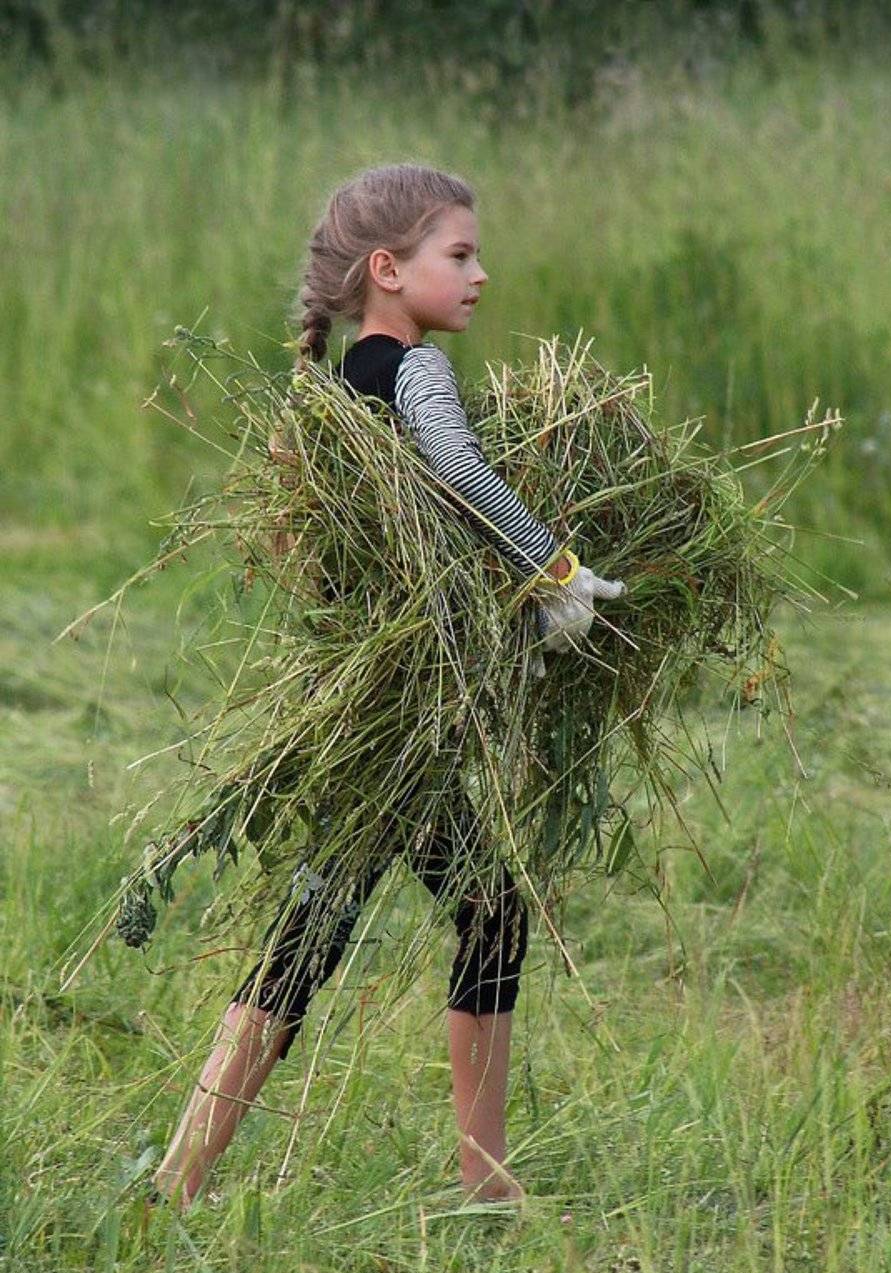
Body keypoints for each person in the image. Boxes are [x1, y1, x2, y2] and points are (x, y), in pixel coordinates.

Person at [151, 163, 624, 1211]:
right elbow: (459, 470)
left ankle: (191, 1180)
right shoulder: (412, 378)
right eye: (458, 255)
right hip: (396, 728)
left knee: (372, 925)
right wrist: (555, 574)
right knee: (420, 921)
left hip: (367, 712)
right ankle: (476, 1186)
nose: (481, 274)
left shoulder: (323, 392)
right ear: (386, 269)